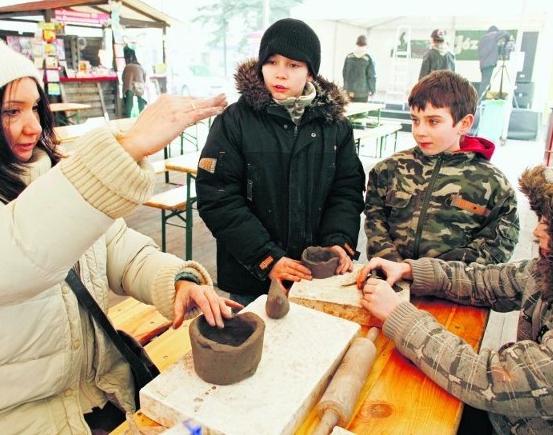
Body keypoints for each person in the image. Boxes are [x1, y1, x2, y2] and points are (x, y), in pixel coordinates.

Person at [0, 30, 240, 434]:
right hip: (3, 420)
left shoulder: (41, 173)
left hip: (96, 395)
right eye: (11, 112)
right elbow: (5, 261)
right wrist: (128, 146)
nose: (32, 128)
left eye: (34, 109)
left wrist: (176, 282)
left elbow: (116, 245)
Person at [357, 157, 553, 434]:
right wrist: (410, 269)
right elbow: (487, 281)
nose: (536, 232)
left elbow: (490, 379)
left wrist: (398, 315)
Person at [196, 18, 366, 306]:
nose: (280, 73)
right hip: (252, 274)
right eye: (272, 62)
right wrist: (266, 257)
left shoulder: (335, 125)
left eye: (293, 65)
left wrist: (338, 241)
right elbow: (218, 197)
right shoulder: (235, 121)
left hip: (315, 273)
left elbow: (346, 189)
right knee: (255, 343)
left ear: (311, 72)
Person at [364, 70, 519, 264]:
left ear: (464, 124)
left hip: (453, 290)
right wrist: (393, 266)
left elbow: (498, 245)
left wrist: (432, 276)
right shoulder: (389, 170)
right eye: (415, 120)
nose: (420, 131)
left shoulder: (494, 184)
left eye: (433, 121)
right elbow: (375, 221)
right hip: (390, 282)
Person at [478, 25, 511, 100]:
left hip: (483, 64)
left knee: (485, 82)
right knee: (486, 83)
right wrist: (506, 41)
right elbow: (505, 33)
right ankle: (481, 100)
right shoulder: (492, 35)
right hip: (489, 63)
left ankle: (482, 99)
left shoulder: (483, 39)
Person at [342, 35, 377, 102]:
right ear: (366, 44)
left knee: (351, 111)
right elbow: (371, 77)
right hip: (363, 93)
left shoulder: (349, 56)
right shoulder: (368, 58)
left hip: (349, 91)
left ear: (356, 43)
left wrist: (345, 88)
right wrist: (373, 91)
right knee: (362, 111)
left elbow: (344, 73)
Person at [122, 45, 147, 117]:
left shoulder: (127, 67)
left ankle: (128, 116)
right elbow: (144, 78)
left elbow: (123, 78)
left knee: (129, 101)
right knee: (140, 100)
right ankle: (142, 115)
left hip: (129, 85)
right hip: (139, 85)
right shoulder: (141, 67)